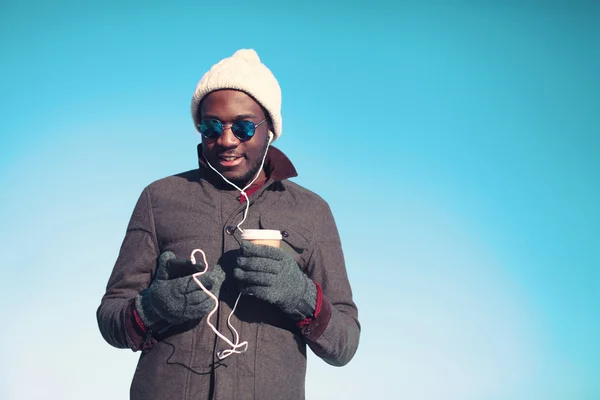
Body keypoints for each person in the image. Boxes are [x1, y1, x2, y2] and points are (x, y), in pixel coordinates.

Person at [97, 49, 360, 400]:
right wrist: (152, 307)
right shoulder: (158, 198)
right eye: (210, 127)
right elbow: (111, 316)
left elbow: (345, 345)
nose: (226, 140)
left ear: (270, 131)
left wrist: (302, 296)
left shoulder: (312, 211)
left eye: (243, 127)